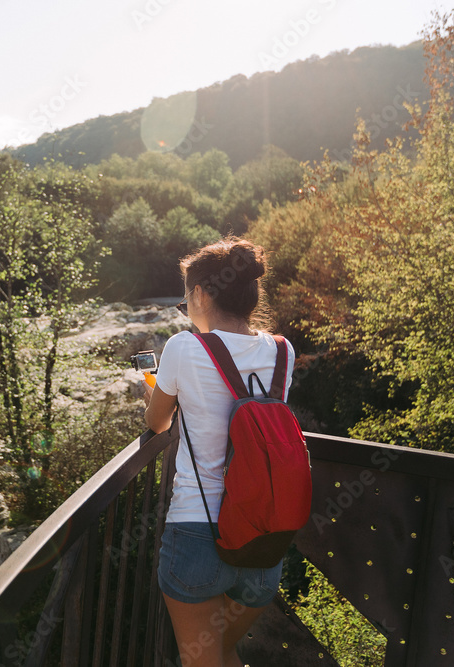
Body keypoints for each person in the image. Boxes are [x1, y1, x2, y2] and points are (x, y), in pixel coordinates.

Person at [142, 236, 294, 667]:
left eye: (186, 297)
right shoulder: (283, 351)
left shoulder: (182, 348)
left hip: (198, 532)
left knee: (202, 661)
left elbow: (158, 423)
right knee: (224, 653)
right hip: (264, 539)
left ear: (201, 293)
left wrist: (152, 389)